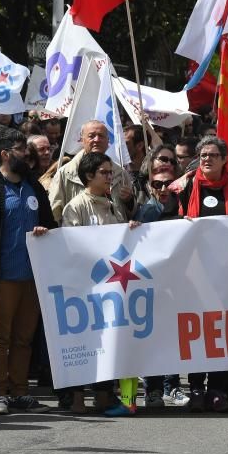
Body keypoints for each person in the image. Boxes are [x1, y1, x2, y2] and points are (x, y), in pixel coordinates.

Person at [0, 129, 55, 416]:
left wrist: (46, 231)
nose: (27, 154)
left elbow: (50, 225)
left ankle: (20, 392)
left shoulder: (35, 187)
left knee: (23, 339)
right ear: (4, 155)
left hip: (31, 279)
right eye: (20, 149)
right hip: (1, 279)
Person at [170, 136, 228, 412]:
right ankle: (196, 387)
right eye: (203, 154)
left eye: (213, 155)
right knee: (198, 331)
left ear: (224, 159)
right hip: (195, 273)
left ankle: (219, 389)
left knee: (224, 333)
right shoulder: (185, 186)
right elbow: (169, 221)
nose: (207, 159)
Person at [60, 151, 143, 415]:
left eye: (111, 172)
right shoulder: (76, 206)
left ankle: (104, 395)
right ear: (88, 176)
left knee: (108, 340)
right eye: (105, 173)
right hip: (86, 286)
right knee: (82, 341)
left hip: (112, 287)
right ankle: (76, 397)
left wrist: (130, 228)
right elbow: (72, 244)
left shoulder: (113, 202)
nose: (110, 177)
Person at [48, 120, 135, 222]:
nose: (96, 140)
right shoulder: (65, 173)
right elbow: (54, 213)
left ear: (108, 141)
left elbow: (131, 215)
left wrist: (129, 201)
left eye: (101, 136)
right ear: (82, 140)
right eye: (91, 136)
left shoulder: (120, 173)